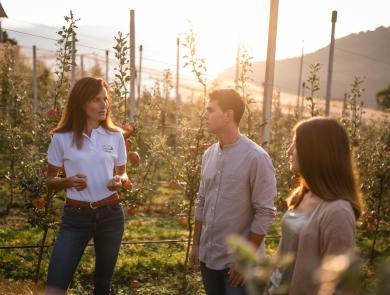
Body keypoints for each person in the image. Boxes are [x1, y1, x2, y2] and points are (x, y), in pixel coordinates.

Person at [45, 77, 131, 295]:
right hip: (76, 216)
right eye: (96, 99)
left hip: (111, 214)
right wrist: (67, 181)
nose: (104, 105)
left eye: (105, 99)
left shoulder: (115, 136)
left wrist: (119, 181)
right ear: (82, 102)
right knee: (55, 285)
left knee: (102, 286)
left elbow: (123, 172)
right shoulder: (61, 138)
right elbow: (49, 180)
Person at [189, 89, 277, 295]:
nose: (204, 115)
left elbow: (265, 213)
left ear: (228, 115)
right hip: (209, 258)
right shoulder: (209, 154)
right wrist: (196, 245)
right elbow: (202, 201)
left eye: (210, 110)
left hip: (236, 266)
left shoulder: (256, 158)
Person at [267, 117, 362, 295]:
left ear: (315, 151)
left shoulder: (338, 212)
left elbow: (339, 286)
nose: (289, 151)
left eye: (295, 144)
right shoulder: (302, 196)